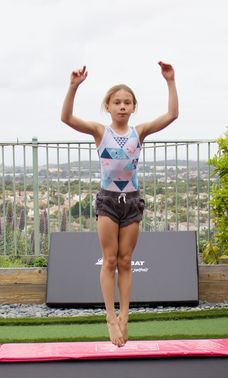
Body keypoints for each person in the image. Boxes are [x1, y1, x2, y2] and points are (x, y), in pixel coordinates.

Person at [61, 61, 178, 347]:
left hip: (133, 202)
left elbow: (173, 115)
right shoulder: (100, 132)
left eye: (127, 102)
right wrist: (73, 86)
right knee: (110, 260)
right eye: (117, 102)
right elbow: (66, 118)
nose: (122, 106)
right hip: (108, 201)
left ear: (133, 107)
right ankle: (110, 318)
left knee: (126, 262)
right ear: (109, 107)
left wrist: (170, 81)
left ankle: (125, 317)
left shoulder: (140, 132)